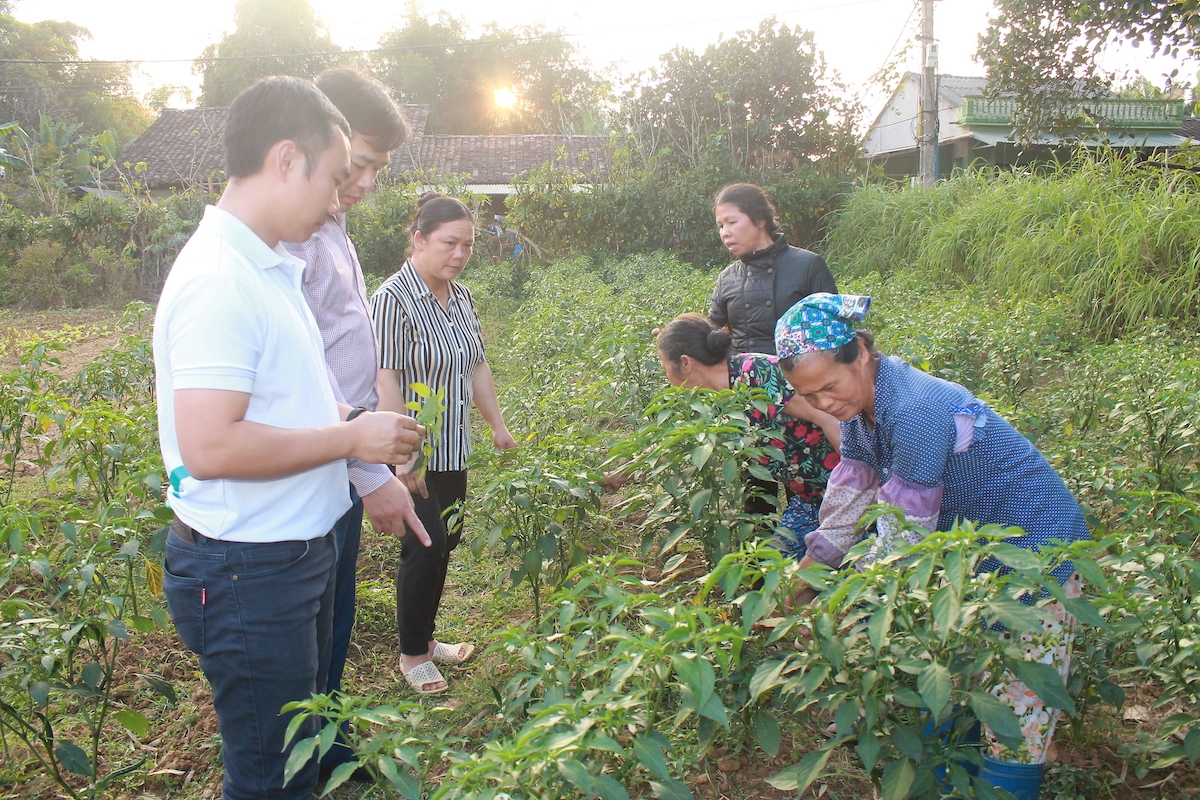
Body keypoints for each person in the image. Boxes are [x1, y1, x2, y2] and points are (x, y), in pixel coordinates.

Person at [155, 76, 425, 800]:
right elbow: (210, 448)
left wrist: (356, 434)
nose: (341, 196)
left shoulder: (267, 264)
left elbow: (297, 392)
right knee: (271, 779)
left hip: (280, 560)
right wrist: (350, 442)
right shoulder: (222, 279)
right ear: (285, 160)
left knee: (295, 758)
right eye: (336, 177)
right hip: (249, 573)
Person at [774, 293, 1089, 771]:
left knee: (1018, 702)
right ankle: (955, 769)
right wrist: (806, 576)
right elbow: (846, 506)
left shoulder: (915, 410)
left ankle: (1010, 776)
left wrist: (842, 604)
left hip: (1036, 548)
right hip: (971, 551)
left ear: (861, 351)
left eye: (829, 387)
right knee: (958, 675)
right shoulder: (861, 410)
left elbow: (903, 543)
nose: (824, 404)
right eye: (810, 397)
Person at [281, 67, 428, 778]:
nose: (364, 181)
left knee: (334, 616)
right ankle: (302, 759)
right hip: (319, 455)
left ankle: (328, 743)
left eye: (375, 168)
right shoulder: (290, 237)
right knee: (306, 625)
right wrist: (367, 469)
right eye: (359, 164)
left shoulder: (330, 224)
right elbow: (297, 379)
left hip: (344, 451)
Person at [371, 193, 517, 694]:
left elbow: (476, 364)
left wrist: (496, 425)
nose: (459, 254)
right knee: (425, 546)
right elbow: (386, 380)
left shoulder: (462, 298)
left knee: (446, 540)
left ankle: (428, 641)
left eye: (468, 245)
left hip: (455, 446)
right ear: (419, 240)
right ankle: (412, 653)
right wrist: (400, 451)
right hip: (416, 448)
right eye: (449, 243)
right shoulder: (393, 298)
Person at [649, 313, 841, 554]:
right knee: (784, 574)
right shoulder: (712, 400)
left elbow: (830, 418)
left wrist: (858, 481)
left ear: (685, 363)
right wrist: (625, 471)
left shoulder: (758, 373)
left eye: (664, 365)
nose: (666, 375)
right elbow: (678, 445)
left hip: (845, 493)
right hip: (812, 500)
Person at [709, 183, 837, 355]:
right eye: (721, 226)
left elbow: (834, 332)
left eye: (732, 222)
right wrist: (677, 338)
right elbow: (710, 334)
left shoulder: (808, 265)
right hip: (743, 379)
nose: (725, 232)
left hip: (801, 378)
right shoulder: (727, 278)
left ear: (760, 219)